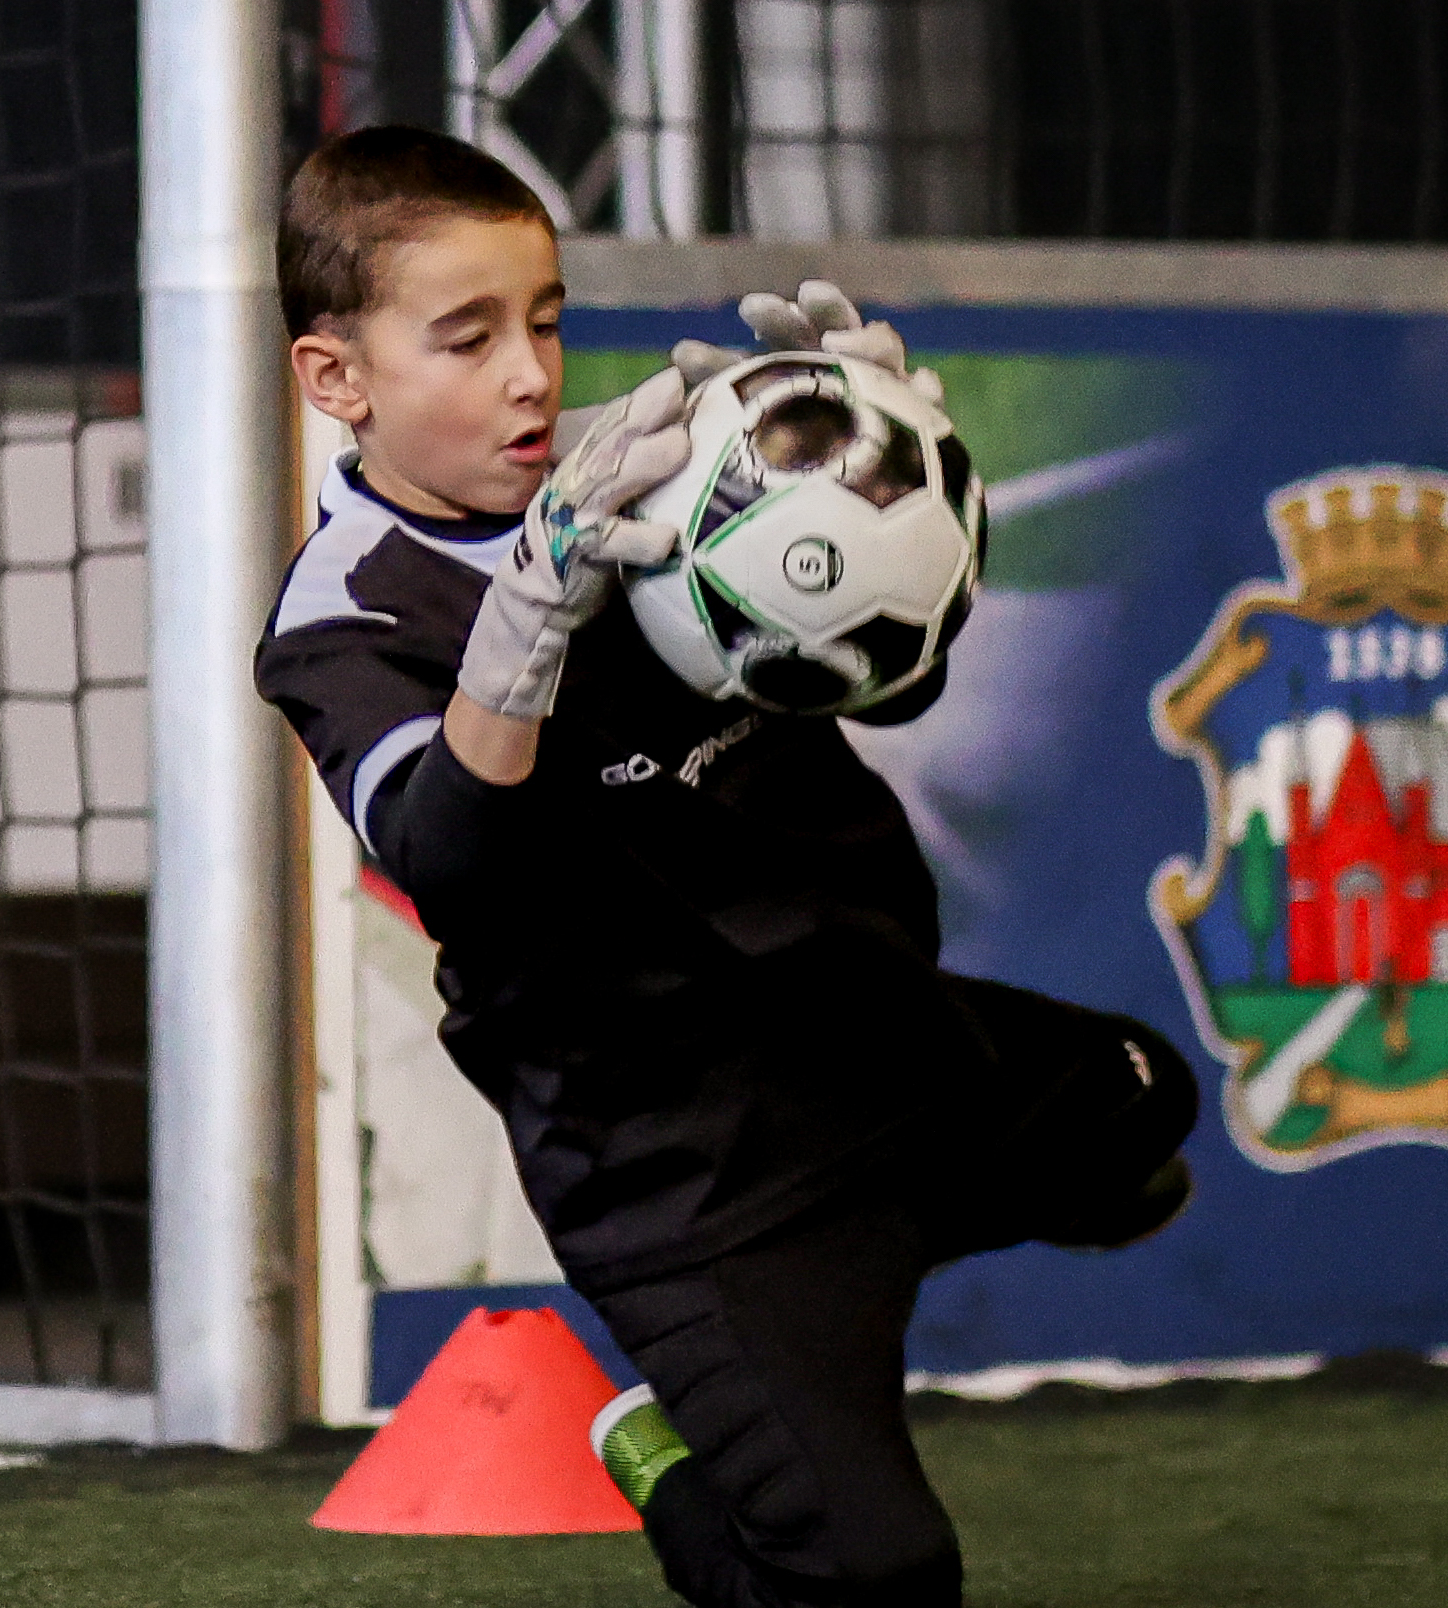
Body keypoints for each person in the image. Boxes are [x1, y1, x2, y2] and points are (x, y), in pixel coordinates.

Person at [256, 125, 1197, 1608]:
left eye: (547, 321)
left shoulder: (666, 473)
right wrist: (530, 611)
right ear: (338, 379)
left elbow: (888, 693)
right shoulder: (347, 619)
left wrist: (877, 500)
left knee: (1147, 1113)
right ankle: (684, 1459)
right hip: (691, 1172)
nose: (529, 374)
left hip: (871, 1038)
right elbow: (459, 866)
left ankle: (859, 1269)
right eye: (469, 337)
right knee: (875, 1580)